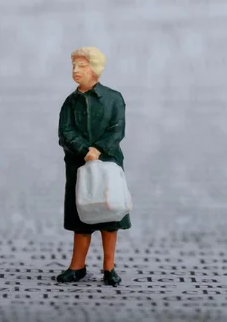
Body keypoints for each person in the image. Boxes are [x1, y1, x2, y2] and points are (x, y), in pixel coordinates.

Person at [56, 47, 131, 287]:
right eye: (74, 66)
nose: (76, 70)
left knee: (110, 216)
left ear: (95, 69)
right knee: (82, 218)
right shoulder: (70, 102)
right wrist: (83, 150)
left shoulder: (114, 98)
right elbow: (65, 132)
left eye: (82, 65)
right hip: (79, 167)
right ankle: (77, 266)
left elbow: (117, 129)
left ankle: (109, 267)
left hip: (108, 166)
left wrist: (98, 149)